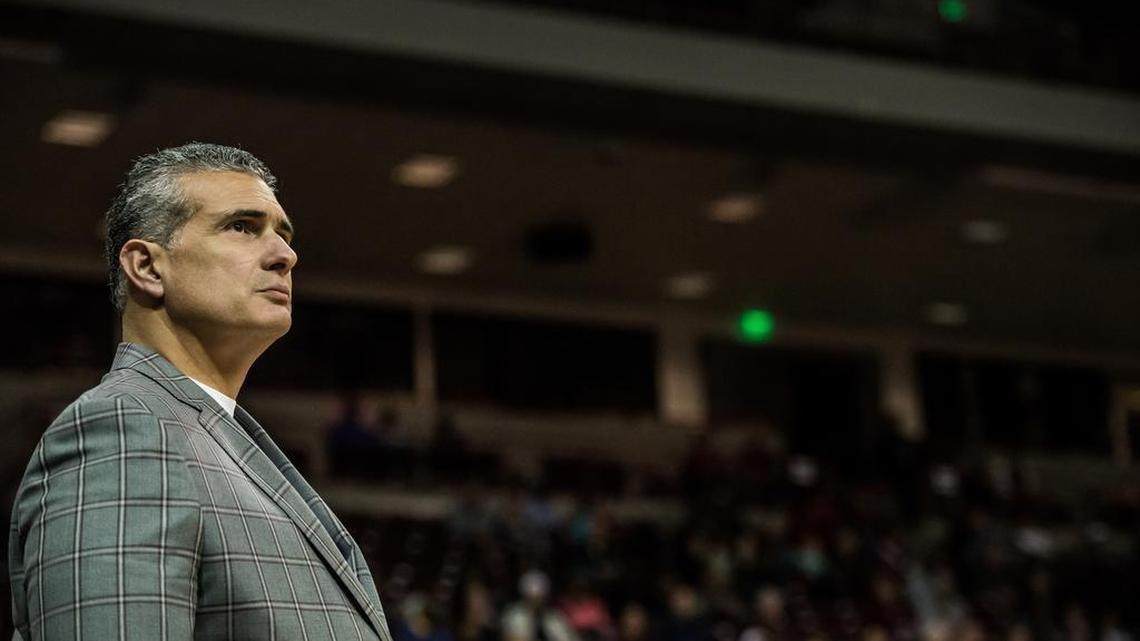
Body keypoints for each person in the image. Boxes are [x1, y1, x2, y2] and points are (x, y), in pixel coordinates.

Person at [7, 143, 392, 641]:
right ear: (147, 267)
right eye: (242, 227)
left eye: (282, 234)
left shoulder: (204, 434)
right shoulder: (124, 432)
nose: (285, 255)